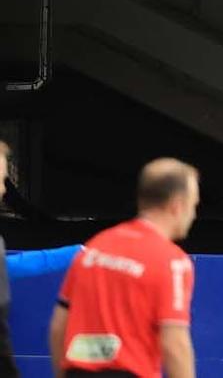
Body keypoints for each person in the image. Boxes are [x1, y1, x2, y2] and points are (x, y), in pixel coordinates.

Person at [50, 159, 198, 378]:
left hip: (77, 371)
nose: (194, 214)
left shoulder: (95, 247)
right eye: (194, 205)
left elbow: (58, 327)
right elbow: (175, 345)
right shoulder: (173, 262)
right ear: (177, 205)